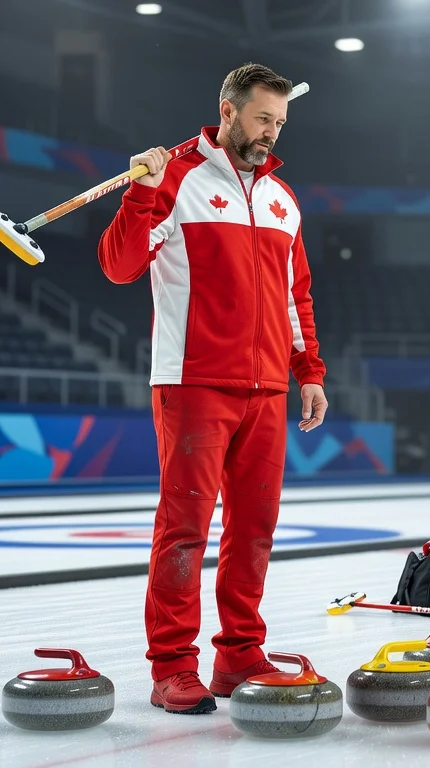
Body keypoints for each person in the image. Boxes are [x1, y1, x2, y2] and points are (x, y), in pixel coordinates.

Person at [98, 63, 327, 714]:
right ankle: (172, 666)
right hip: (194, 383)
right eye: (262, 119)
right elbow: (119, 266)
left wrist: (308, 371)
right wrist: (140, 193)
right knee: (184, 530)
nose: (271, 133)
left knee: (254, 528)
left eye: (279, 122)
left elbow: (295, 296)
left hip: (265, 388)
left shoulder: (283, 199)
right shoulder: (173, 177)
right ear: (227, 111)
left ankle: (239, 654)